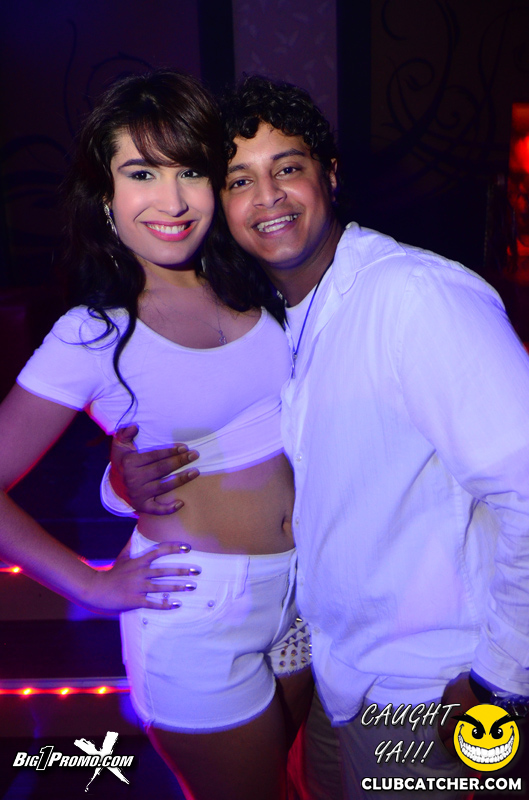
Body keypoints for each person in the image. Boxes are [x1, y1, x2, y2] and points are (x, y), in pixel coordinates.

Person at [104, 76, 529, 798]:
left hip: (434, 689)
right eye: (240, 180)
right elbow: (222, 446)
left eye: (288, 168)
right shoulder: (266, 319)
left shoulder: (414, 297)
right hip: (338, 678)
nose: (267, 196)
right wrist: (123, 484)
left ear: (329, 176)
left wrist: (501, 681)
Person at [0, 71, 317, 800]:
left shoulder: (262, 283)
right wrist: (91, 585)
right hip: (196, 610)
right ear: (105, 196)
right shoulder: (92, 333)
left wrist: (119, 485)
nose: (172, 201)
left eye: (190, 172)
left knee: (294, 784)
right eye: (141, 173)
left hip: (305, 591)